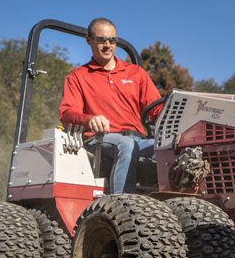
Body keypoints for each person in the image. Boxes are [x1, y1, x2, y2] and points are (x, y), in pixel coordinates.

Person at [59, 17, 161, 194]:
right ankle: (122, 207)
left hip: (138, 139)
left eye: (112, 40)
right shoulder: (78, 76)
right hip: (99, 139)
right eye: (101, 40)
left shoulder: (136, 73)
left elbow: (156, 110)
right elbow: (66, 113)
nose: (107, 45)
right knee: (126, 145)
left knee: (169, 147)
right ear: (89, 40)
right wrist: (89, 119)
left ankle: (175, 207)